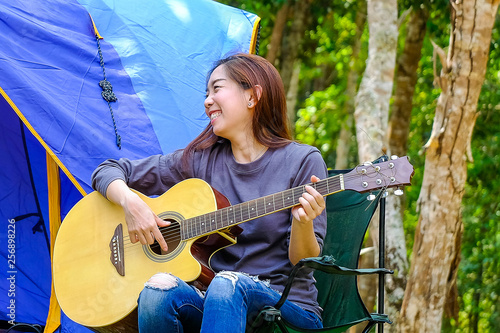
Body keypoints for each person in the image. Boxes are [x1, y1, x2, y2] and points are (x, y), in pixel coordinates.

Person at [91, 53, 327, 332]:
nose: (206, 101)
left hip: (284, 307)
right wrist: (131, 204)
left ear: (252, 96)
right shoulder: (199, 161)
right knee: (158, 291)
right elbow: (108, 170)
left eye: (217, 89)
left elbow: (304, 261)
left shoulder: (302, 160)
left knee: (228, 283)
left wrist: (303, 222)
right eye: (206, 92)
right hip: (215, 303)